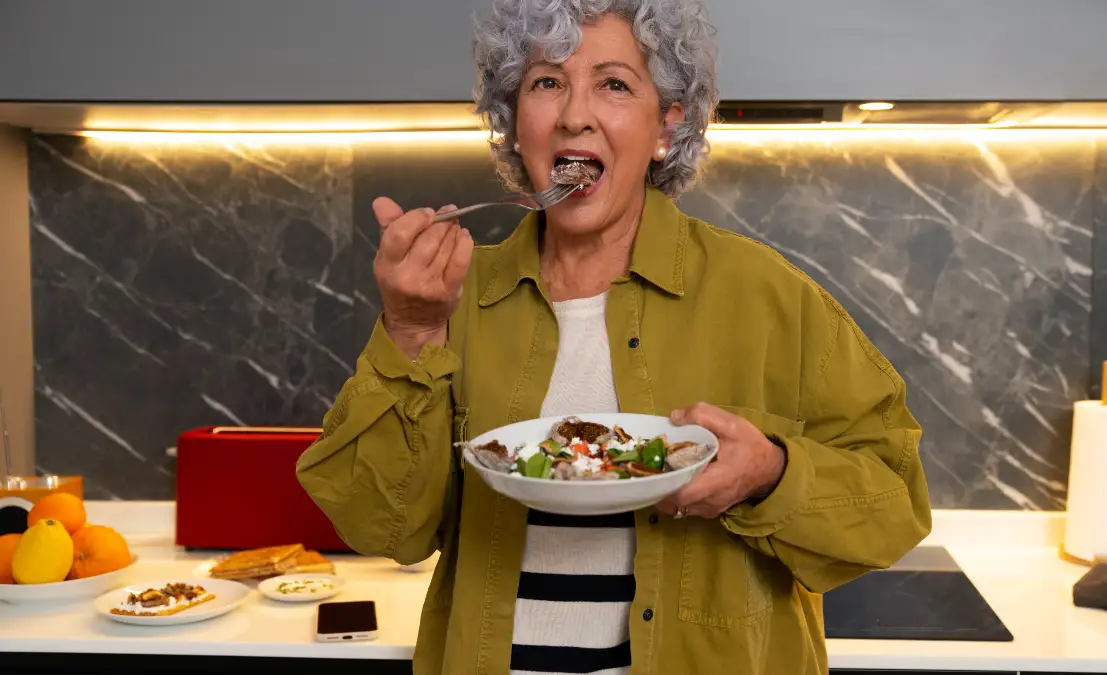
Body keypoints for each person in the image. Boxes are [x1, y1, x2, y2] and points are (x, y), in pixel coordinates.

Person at [296, 1, 932, 674]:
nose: (574, 114)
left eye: (615, 83)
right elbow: (383, 528)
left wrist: (771, 473)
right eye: (547, 82)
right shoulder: (453, 299)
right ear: (516, 126)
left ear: (667, 125)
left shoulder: (767, 296)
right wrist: (413, 331)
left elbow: (895, 504)